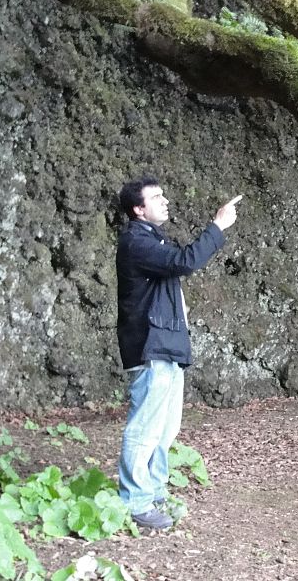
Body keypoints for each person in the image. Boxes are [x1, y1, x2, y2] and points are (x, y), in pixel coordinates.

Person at [115, 175, 241, 530]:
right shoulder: (136, 241)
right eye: (156, 197)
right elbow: (185, 261)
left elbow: (172, 271)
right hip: (151, 348)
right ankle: (136, 503)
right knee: (145, 428)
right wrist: (217, 226)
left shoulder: (152, 239)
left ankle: (154, 494)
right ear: (138, 209)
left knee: (164, 430)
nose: (165, 200)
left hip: (166, 347)